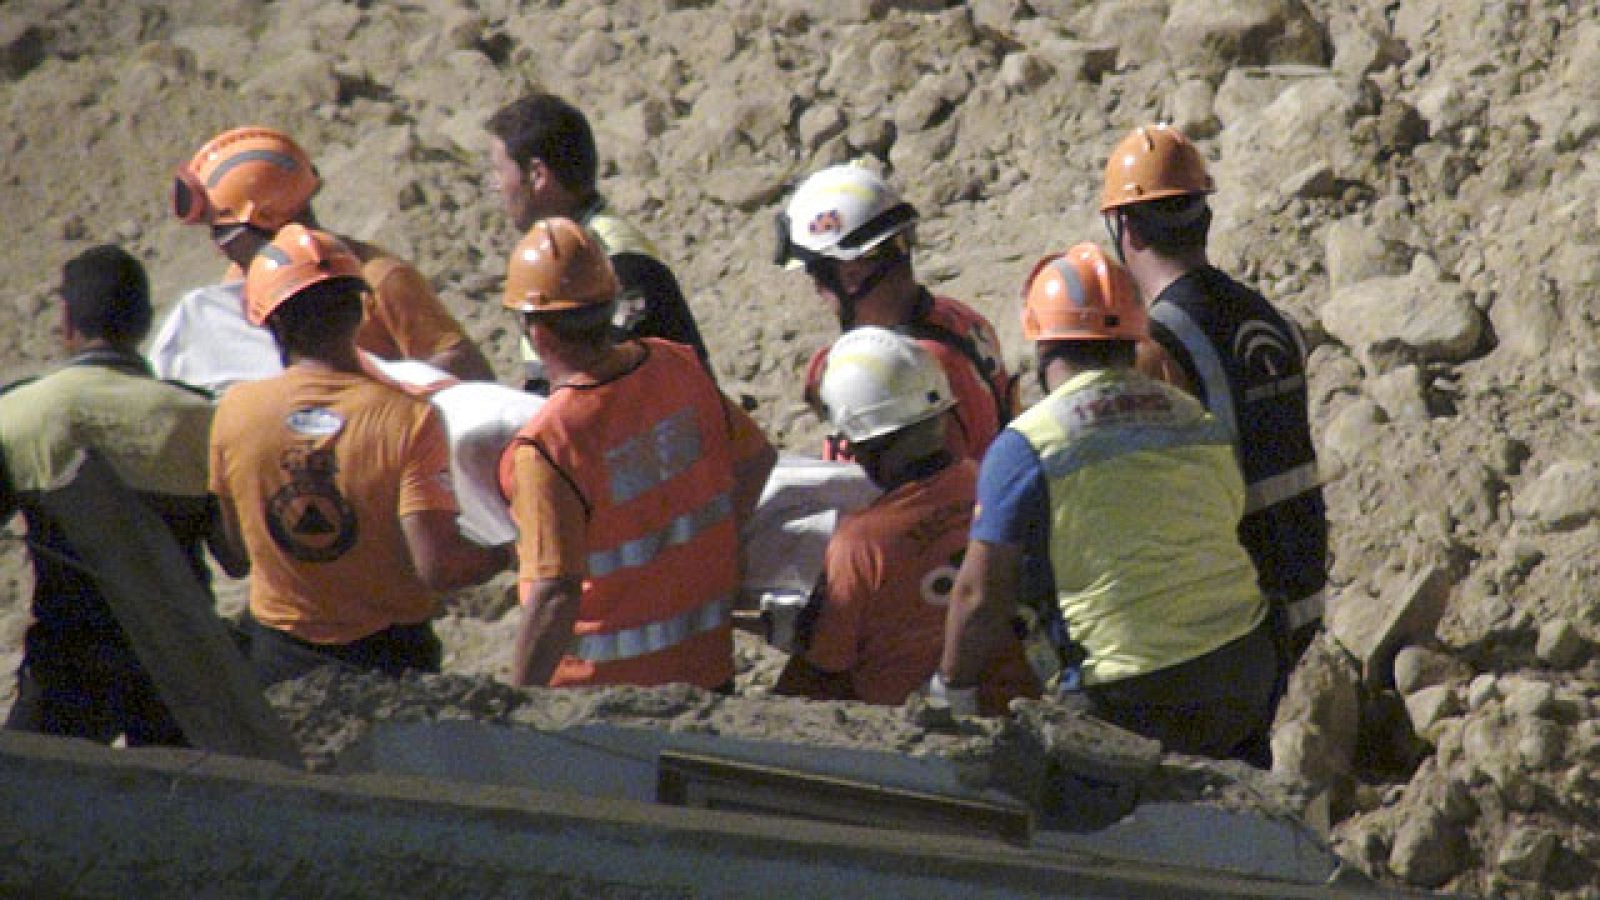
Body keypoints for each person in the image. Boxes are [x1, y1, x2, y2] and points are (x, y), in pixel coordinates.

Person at [935, 243, 1277, 761]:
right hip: (1245, 667)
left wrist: (953, 689)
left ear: (1044, 347)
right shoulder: (1194, 417)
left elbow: (979, 597)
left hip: (1129, 692)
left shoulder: (1030, 442)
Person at [208, 224, 510, 686]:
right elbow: (439, 567)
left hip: (280, 659)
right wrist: (504, 554)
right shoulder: (408, 419)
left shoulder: (235, 412)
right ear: (359, 309)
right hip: (391, 661)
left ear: (270, 321)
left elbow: (235, 552)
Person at [496, 218, 775, 690]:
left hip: (602, 698)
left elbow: (555, 594)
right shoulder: (677, 365)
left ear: (535, 332)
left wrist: (515, 705)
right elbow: (756, 461)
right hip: (704, 669)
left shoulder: (548, 447)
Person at [1100, 123, 1328, 664]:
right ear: (1204, 215)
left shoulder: (1159, 344)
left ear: (1126, 227)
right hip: (1303, 576)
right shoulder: (1269, 317)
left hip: (1238, 602)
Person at [0, 245, 237, 746]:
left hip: (68, 659)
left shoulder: (18, 412)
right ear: (144, 323)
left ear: (66, 324)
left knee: (35, 804)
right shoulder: (201, 418)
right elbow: (235, 558)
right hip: (181, 664)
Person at [774, 328, 1038, 714]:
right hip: (1013, 707)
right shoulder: (985, 482)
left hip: (910, 737)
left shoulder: (861, 544)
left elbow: (819, 673)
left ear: (865, 442)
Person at [162, 126, 494, 385]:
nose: (218, 247)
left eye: (223, 232)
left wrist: (372, 394)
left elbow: (468, 368)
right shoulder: (239, 283)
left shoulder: (379, 279)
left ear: (267, 219)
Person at [776, 163, 1017, 463]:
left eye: (817, 274)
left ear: (851, 274)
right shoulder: (955, 317)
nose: (815, 289)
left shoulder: (906, 372)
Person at [486, 93, 709, 392]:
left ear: (537, 175)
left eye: (500, 170)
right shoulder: (561, 258)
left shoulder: (618, 262)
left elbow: (611, 395)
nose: (495, 184)